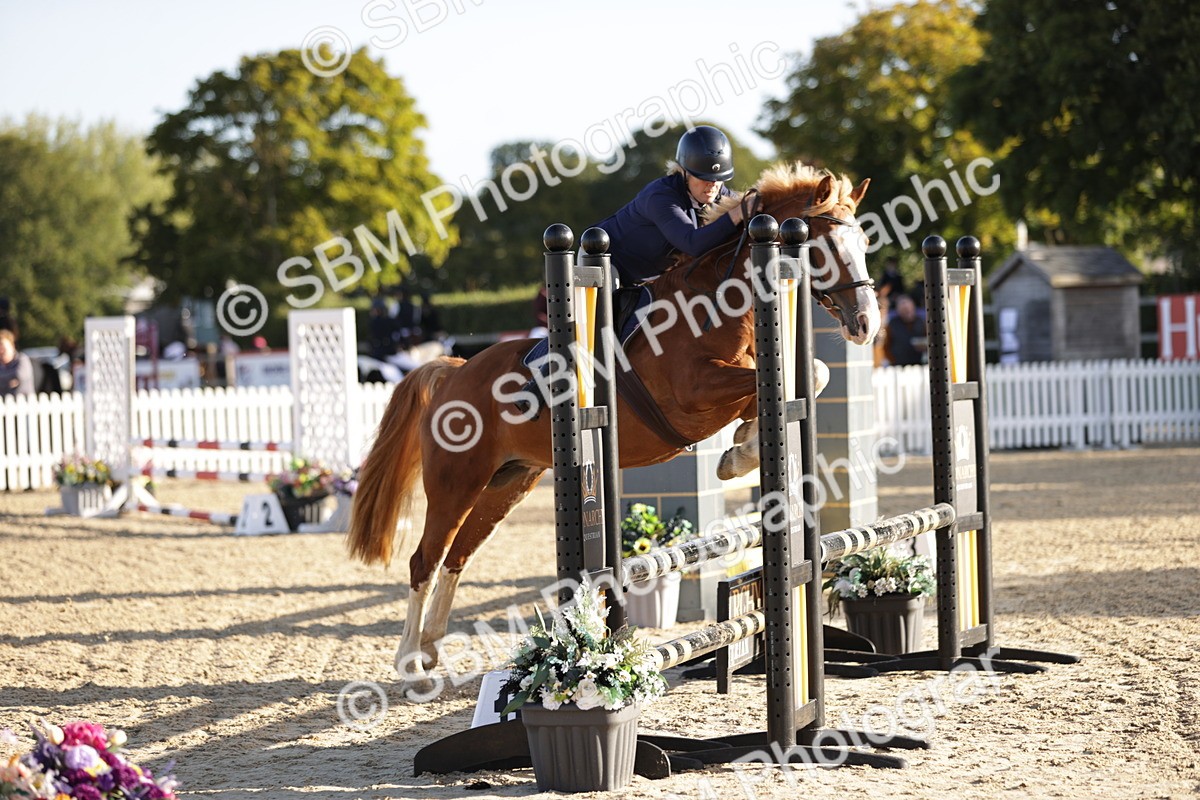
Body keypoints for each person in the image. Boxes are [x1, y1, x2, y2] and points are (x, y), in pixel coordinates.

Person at [594, 125, 746, 286]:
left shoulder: (720, 194)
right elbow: (692, 244)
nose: (712, 185)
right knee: (607, 311)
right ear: (684, 172)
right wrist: (737, 213)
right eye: (704, 178)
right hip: (608, 262)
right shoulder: (660, 197)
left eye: (718, 178)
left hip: (653, 278)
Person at [882, 294, 927, 366]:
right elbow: (886, 345)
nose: (907, 312)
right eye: (904, 310)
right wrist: (892, 360)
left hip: (920, 365)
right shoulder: (892, 324)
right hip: (898, 365)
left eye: (909, 309)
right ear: (898, 310)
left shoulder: (922, 322)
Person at [0, 329, 34, 396]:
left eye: (2, 346)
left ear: (12, 346)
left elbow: (19, 376)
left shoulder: (22, 359)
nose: (1, 350)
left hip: (23, 403)